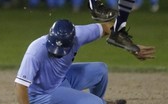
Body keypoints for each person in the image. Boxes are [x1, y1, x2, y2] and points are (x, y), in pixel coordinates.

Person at [15, 19, 155, 104]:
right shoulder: (35, 50)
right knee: (95, 103)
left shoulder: (78, 34)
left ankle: (98, 101)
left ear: (72, 39)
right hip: (41, 95)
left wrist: (131, 46)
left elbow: (107, 27)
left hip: (62, 80)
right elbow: (21, 85)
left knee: (100, 70)